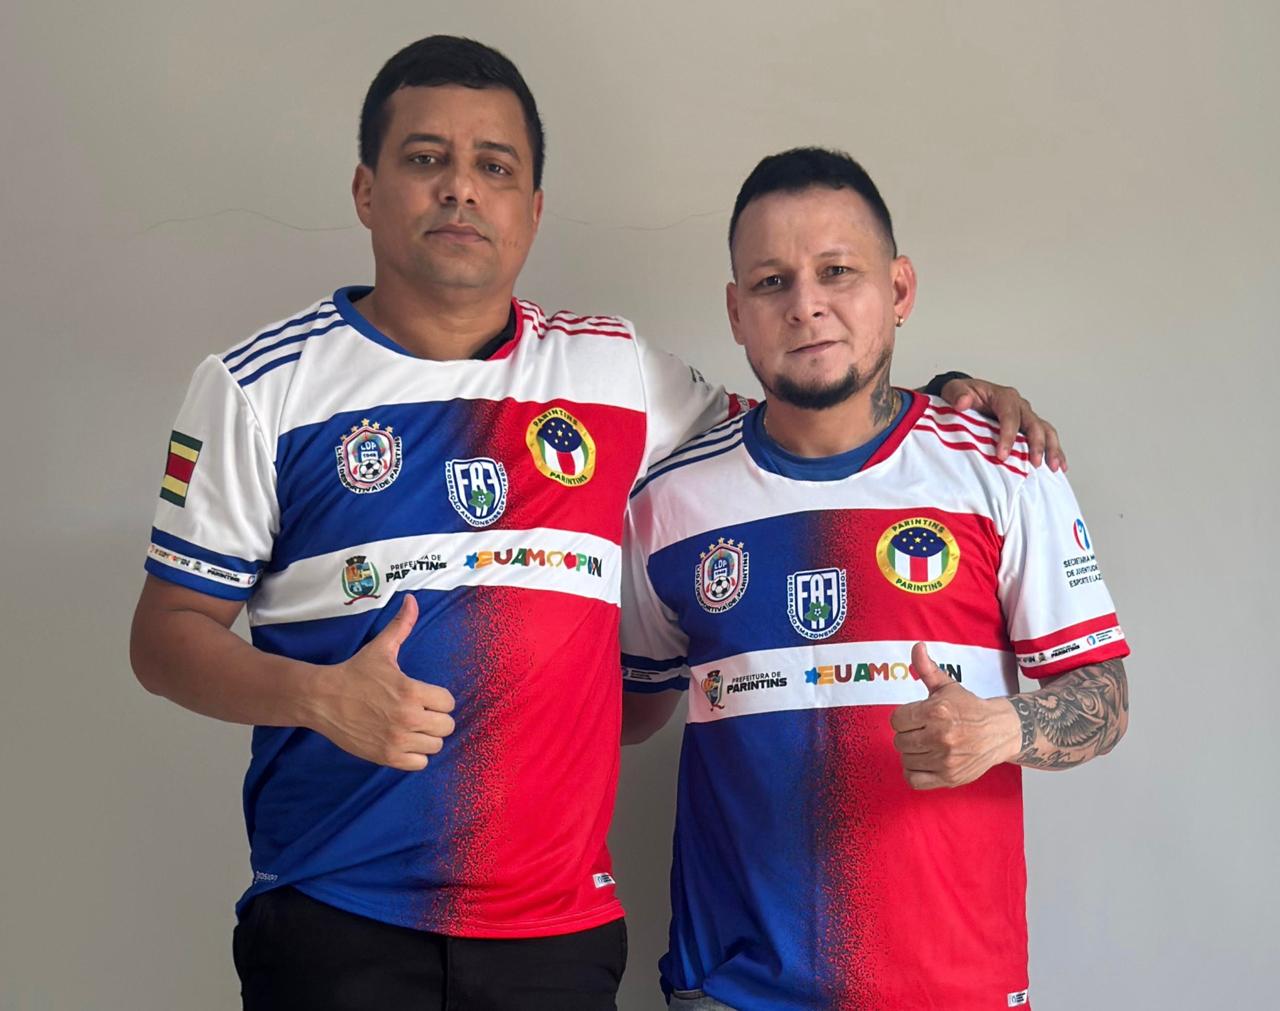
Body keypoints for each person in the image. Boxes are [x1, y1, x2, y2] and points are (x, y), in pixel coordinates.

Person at [129, 36, 1062, 1011]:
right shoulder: (259, 388)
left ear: (533, 209)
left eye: (495, 167)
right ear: (367, 190)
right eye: (425, 158)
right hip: (336, 915)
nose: (461, 188)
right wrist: (319, 697)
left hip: (556, 936)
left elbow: (807, 426)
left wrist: (947, 396)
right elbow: (164, 638)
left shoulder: (613, 371)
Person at [619, 147, 1129, 1011]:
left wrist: (1000, 727)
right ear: (737, 312)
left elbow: (1104, 694)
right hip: (730, 989)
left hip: (954, 987)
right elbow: (626, 711)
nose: (806, 304)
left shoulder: (1003, 465)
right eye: (772, 282)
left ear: (898, 289)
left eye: (837, 271)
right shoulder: (670, 499)